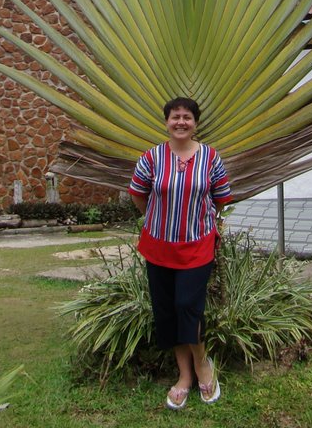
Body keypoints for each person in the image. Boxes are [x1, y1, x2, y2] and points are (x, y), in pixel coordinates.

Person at [128, 96, 233, 410]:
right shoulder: (152, 157)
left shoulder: (210, 158)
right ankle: (184, 376)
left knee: (188, 305)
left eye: (187, 117)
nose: (181, 122)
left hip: (197, 245)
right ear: (166, 121)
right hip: (158, 246)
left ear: (195, 123)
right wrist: (156, 219)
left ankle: (203, 365)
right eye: (175, 117)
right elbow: (138, 194)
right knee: (167, 310)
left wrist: (203, 221)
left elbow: (221, 197)